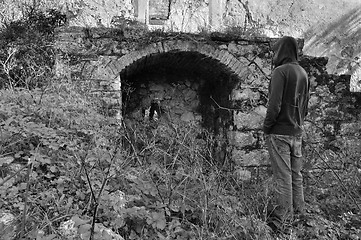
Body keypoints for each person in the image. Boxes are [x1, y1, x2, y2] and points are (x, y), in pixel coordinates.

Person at [263, 36, 310, 234]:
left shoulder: (280, 72)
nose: (274, 55)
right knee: (296, 176)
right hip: (296, 132)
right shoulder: (303, 73)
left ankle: (283, 223)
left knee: (283, 178)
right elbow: (305, 107)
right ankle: (300, 217)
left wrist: (267, 126)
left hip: (280, 132)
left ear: (282, 51)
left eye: (275, 51)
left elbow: (274, 104)